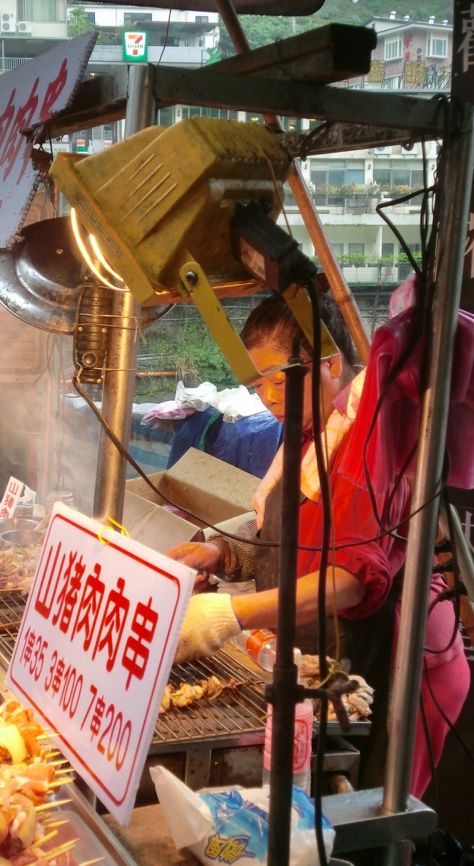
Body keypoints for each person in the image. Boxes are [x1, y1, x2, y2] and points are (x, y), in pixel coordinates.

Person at [168, 291, 470, 798]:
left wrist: (228, 616)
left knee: (374, 817)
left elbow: (350, 579)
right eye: (254, 383)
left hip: (398, 669)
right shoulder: (307, 433)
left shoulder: (367, 436)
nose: (265, 396)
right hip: (326, 653)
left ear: (328, 361)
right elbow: (301, 540)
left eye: (276, 379)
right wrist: (225, 552)